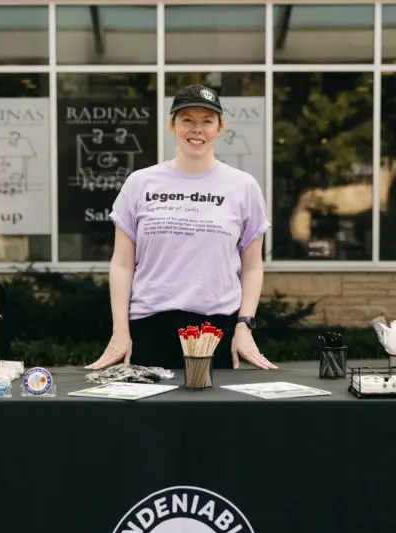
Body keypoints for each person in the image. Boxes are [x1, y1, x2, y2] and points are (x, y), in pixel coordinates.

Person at [85, 84, 276, 372]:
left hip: (215, 329)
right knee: (148, 417)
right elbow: (123, 264)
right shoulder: (140, 183)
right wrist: (120, 331)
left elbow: (251, 267)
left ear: (219, 128)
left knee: (214, 416)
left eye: (206, 121)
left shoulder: (243, 187)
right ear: (173, 125)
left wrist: (244, 326)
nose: (196, 129)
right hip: (149, 328)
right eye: (187, 119)